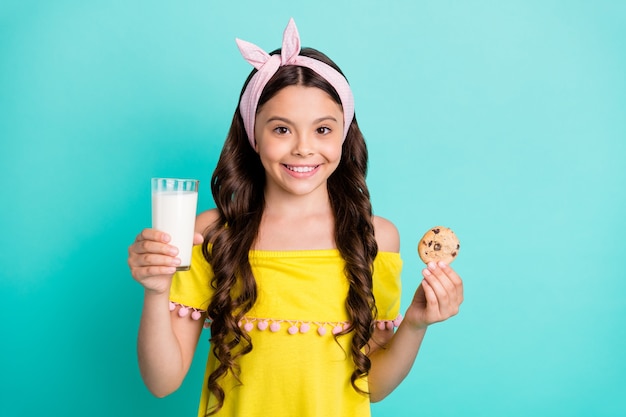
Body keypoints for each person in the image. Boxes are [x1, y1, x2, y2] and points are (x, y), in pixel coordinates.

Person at [128, 18, 464, 417]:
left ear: (343, 134)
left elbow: (372, 386)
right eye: (282, 129)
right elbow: (162, 382)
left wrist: (414, 323)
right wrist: (156, 289)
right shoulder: (211, 233)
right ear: (253, 134)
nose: (304, 148)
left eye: (323, 129)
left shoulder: (373, 238)